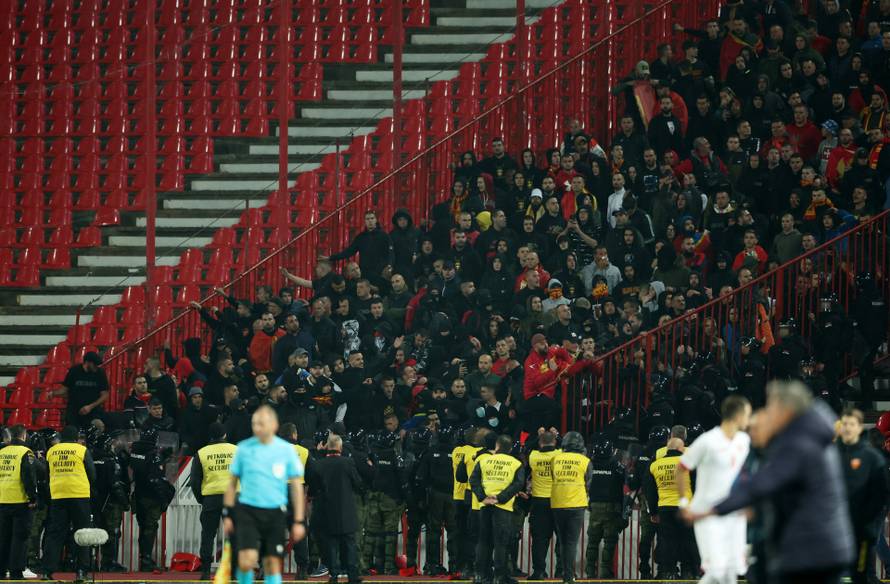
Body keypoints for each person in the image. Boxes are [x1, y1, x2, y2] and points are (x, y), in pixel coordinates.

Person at [683, 381, 855, 584]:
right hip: (823, 545)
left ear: (787, 409)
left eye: (772, 406)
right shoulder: (813, 435)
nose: (768, 412)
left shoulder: (798, 442)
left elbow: (762, 483)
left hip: (810, 548)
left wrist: (711, 509)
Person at [223, 406, 306, 584]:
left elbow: (297, 487)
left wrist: (298, 521)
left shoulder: (286, 451)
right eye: (255, 424)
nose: (258, 428)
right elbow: (231, 484)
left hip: (275, 512)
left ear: (274, 425)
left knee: (272, 564)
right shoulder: (243, 449)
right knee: (246, 560)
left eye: (263, 423)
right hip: (248, 512)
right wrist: (228, 514)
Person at [675, 395, 752, 584]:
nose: (749, 419)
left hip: (734, 513)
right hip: (706, 513)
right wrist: (684, 502)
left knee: (731, 572)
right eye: (748, 414)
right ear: (739, 415)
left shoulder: (744, 440)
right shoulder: (707, 441)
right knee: (716, 570)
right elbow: (681, 469)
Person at [837, 408, 887, 584]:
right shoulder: (837, 455)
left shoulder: (872, 458)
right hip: (850, 518)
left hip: (864, 517)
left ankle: (870, 577)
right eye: (845, 425)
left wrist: (865, 516)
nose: (848, 429)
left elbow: (880, 492)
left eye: (852, 425)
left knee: (864, 559)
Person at [306, 434, 364, 584]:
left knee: (331, 545)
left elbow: (313, 487)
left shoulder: (319, 464)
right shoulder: (348, 462)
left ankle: (333, 575)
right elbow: (358, 483)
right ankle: (352, 575)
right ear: (340, 447)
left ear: (327, 447)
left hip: (326, 510)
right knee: (349, 544)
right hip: (346, 509)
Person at [469, 434, 524, 584]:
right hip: (503, 507)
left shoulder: (484, 460)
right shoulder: (516, 463)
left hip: (485, 506)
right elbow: (518, 484)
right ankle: (500, 576)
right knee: (501, 542)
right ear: (511, 448)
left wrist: (482, 497)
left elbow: (473, 479)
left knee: (483, 541)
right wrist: (501, 498)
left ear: (497, 446)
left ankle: (480, 575)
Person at [43, 425, 95, 582]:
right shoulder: (81, 450)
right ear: (76, 437)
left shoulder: (51, 451)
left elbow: (47, 474)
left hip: (58, 495)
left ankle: (47, 571)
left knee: (55, 534)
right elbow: (92, 473)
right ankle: (80, 571)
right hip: (79, 495)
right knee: (83, 533)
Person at [191, 423, 237, 580]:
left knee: (208, 534)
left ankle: (205, 571)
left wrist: (202, 499)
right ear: (224, 435)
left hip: (211, 498)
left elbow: (195, 481)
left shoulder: (202, 453)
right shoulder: (236, 450)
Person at [646, 437, 696, 580]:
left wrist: (653, 511)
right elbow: (696, 484)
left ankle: (669, 572)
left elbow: (651, 491)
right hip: (685, 507)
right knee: (687, 539)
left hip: (665, 508)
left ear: (667, 449)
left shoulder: (655, 465)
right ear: (681, 449)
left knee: (667, 541)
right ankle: (687, 571)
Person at [550, 431, 590, 584]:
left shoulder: (555, 459)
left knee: (562, 541)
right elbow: (589, 483)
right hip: (576, 505)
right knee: (571, 542)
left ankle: (564, 573)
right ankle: (568, 577)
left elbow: (553, 477)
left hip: (558, 503)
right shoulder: (585, 461)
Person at [584, 434, 625, 579]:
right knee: (609, 541)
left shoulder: (590, 465)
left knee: (593, 541)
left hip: (594, 506)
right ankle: (605, 572)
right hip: (611, 508)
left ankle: (590, 572)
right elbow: (625, 484)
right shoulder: (616, 465)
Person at [0, 425, 37, 580]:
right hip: (19, 500)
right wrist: (32, 497)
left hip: (2, 499)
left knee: (3, 537)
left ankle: (1, 570)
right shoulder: (25, 452)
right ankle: (16, 571)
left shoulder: (1, 452)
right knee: (20, 537)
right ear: (23, 436)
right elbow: (28, 476)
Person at [527, 430, 560, 580]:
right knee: (563, 538)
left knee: (539, 539)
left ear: (540, 443)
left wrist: (538, 435)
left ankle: (539, 571)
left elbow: (528, 447)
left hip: (539, 501)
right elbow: (569, 446)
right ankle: (562, 571)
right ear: (554, 442)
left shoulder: (533, 456)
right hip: (558, 500)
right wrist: (557, 435)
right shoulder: (560, 454)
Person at [46, 352, 109, 428]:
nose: (96, 367)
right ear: (87, 362)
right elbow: (64, 389)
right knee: (72, 431)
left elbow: (105, 395)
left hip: (93, 411)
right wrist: (53, 393)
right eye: (94, 365)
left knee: (98, 426)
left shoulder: (100, 373)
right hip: (74, 410)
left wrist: (90, 407)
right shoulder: (74, 371)